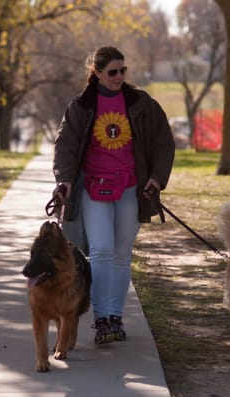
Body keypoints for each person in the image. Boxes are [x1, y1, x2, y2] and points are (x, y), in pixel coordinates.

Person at [53, 46, 175, 344]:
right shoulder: (81, 106)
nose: (119, 77)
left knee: (121, 255)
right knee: (101, 251)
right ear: (97, 73)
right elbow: (65, 146)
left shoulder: (141, 103)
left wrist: (156, 179)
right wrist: (65, 180)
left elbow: (163, 143)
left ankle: (115, 316)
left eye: (123, 71)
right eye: (112, 72)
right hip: (94, 189)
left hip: (131, 189)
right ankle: (101, 319)